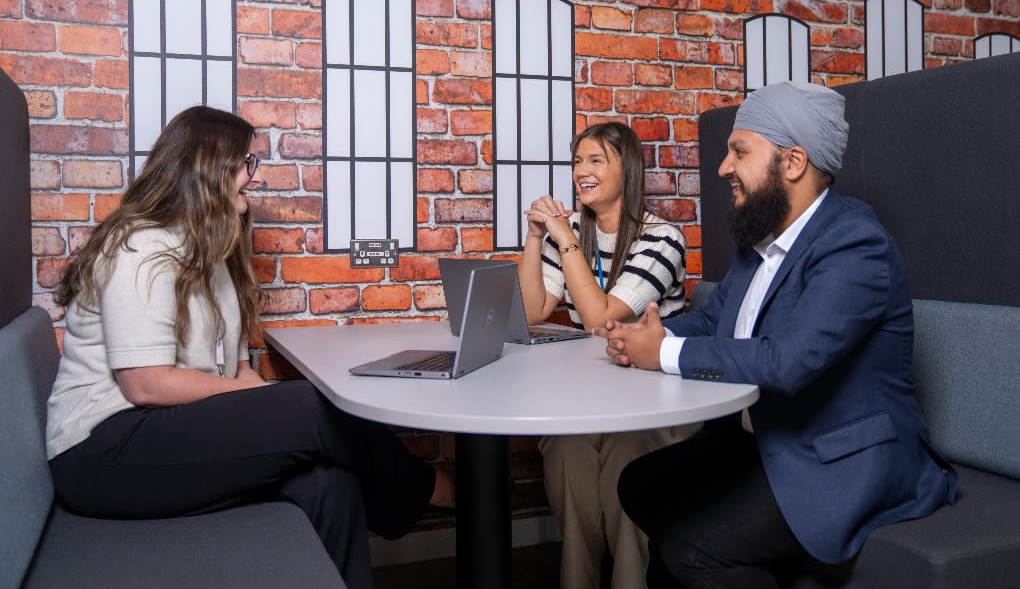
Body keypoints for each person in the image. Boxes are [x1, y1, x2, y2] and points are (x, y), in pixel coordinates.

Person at [46, 105, 454, 589]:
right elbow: (146, 384)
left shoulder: (212, 255)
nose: (256, 177)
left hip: (170, 429)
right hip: (102, 452)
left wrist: (269, 407)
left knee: (331, 485)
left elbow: (238, 371)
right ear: (208, 165)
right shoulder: (139, 247)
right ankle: (428, 488)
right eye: (248, 162)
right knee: (309, 404)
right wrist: (276, 405)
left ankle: (395, 512)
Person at [594, 81, 957, 588]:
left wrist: (664, 353)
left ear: (793, 162)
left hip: (843, 458)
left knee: (688, 549)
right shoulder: (759, 240)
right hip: (767, 438)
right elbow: (711, 322)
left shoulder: (855, 244)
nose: (723, 167)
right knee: (639, 484)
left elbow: (789, 360)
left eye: (739, 151)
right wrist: (640, 335)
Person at [518, 121, 700, 589]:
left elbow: (601, 319)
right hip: (592, 392)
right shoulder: (571, 233)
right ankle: (577, 577)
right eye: (578, 160)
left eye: (596, 160)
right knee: (565, 446)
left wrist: (564, 237)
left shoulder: (662, 238)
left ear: (628, 169)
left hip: (652, 397)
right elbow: (533, 310)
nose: (582, 170)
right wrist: (536, 237)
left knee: (627, 450)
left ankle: (629, 579)